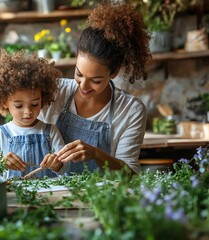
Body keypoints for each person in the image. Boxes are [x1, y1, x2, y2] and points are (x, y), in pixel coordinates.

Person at [38, 0, 150, 175]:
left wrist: (97, 154)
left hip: (99, 197)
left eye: (96, 80)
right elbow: (22, 124)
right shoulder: (55, 91)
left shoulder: (131, 110)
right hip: (49, 192)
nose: (83, 85)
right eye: (79, 74)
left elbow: (131, 174)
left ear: (114, 73)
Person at [0, 50, 68, 179]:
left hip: (48, 194)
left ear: (43, 99)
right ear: (4, 102)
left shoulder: (50, 132)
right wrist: (0, 163)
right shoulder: (0, 135)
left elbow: (65, 168)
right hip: (14, 195)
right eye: (19, 106)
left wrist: (57, 164)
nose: (28, 111)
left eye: (35, 104)